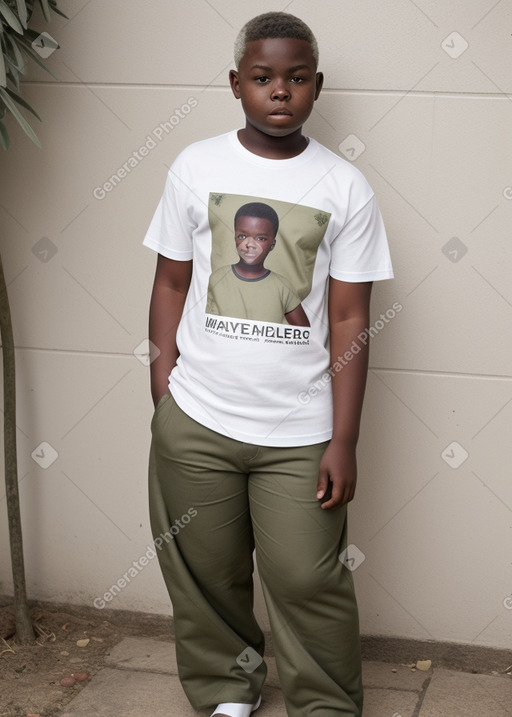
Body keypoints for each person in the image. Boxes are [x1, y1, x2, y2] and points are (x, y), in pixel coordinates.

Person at [143, 11, 393, 717]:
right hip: (197, 420)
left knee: (305, 578)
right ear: (236, 84)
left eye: (296, 77)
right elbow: (170, 284)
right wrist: (162, 388)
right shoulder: (195, 166)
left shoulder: (345, 187)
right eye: (262, 78)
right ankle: (227, 689)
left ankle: (324, 703)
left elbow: (347, 317)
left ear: (317, 86)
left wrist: (342, 438)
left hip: (299, 430)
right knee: (206, 572)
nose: (279, 91)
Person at [206, 201, 310, 326]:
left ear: (272, 245)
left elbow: (304, 332)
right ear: (235, 239)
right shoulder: (217, 278)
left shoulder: (283, 286)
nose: (250, 244)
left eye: (261, 238)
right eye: (242, 236)